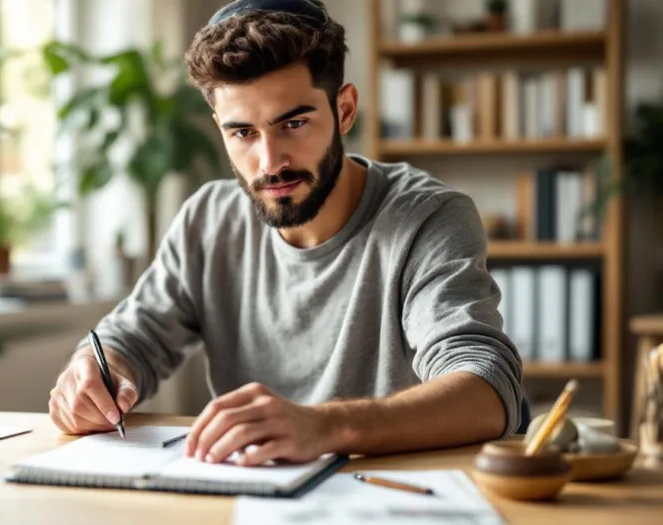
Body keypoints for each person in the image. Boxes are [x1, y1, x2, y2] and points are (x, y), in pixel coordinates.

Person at [48, 0, 524, 467]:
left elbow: (486, 387)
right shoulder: (209, 219)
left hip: (387, 505)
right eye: (243, 133)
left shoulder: (428, 218)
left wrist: (324, 426)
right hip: (246, 507)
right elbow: (133, 337)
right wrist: (94, 377)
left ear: (345, 110)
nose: (270, 162)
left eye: (293, 123)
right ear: (220, 128)